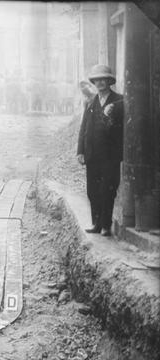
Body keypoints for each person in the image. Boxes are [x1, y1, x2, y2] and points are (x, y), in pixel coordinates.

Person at [76, 64, 124, 237]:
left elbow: (122, 129)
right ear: (94, 82)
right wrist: (80, 151)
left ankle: (105, 225)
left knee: (107, 190)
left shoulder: (119, 101)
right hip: (92, 154)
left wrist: (111, 115)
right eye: (97, 80)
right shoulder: (91, 102)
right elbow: (84, 128)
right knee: (92, 190)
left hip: (110, 156)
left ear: (109, 81)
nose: (100, 82)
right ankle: (96, 223)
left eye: (103, 79)